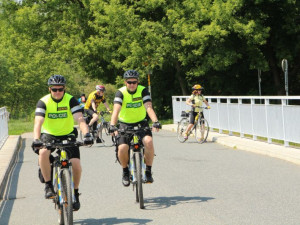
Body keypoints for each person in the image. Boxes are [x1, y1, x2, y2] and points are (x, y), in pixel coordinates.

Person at [31, 74, 93, 211]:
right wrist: (36, 139)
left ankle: (75, 193)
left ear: (64, 89)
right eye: (54, 89)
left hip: (68, 134)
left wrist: (87, 134)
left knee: (76, 164)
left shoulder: (71, 100)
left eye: (60, 89)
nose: (58, 92)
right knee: (43, 153)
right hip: (49, 134)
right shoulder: (43, 102)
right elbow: (38, 122)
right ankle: (48, 185)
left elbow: (80, 119)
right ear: (50, 89)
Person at [109, 70, 162, 187]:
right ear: (125, 82)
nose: (132, 84)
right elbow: (116, 110)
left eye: (134, 82)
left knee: (148, 142)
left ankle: (148, 170)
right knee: (122, 148)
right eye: (129, 82)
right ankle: (125, 171)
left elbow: (148, 107)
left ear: (138, 82)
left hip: (141, 123)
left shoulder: (143, 90)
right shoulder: (120, 92)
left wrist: (155, 121)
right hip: (124, 124)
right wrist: (112, 125)